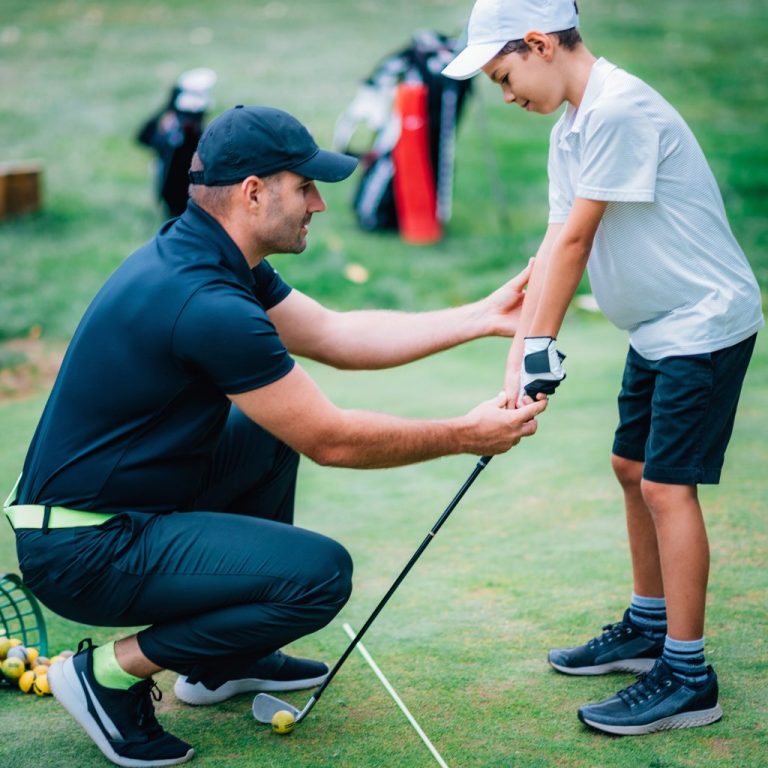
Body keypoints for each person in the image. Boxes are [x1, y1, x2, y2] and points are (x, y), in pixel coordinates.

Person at [4, 104, 546, 767]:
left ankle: (223, 663)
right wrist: (465, 434)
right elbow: (333, 440)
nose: (318, 202)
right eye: (305, 186)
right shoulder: (207, 300)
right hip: (87, 548)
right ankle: (110, 674)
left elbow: (335, 335)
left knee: (261, 433)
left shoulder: (209, 252)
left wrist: (480, 313)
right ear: (254, 191)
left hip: (109, 513)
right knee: (319, 577)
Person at [443, 0, 763, 738]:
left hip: (702, 320)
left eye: (504, 75)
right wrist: (518, 358)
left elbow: (579, 241)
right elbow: (554, 245)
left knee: (664, 483)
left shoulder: (619, 110)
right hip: (657, 327)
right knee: (630, 466)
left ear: (538, 43)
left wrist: (539, 351)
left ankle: (688, 675)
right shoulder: (571, 129)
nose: (506, 92)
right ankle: (650, 626)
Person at [137, 68, 217, 218]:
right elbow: (143, 137)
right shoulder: (170, 134)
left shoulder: (199, 140)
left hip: (190, 200)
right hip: (173, 198)